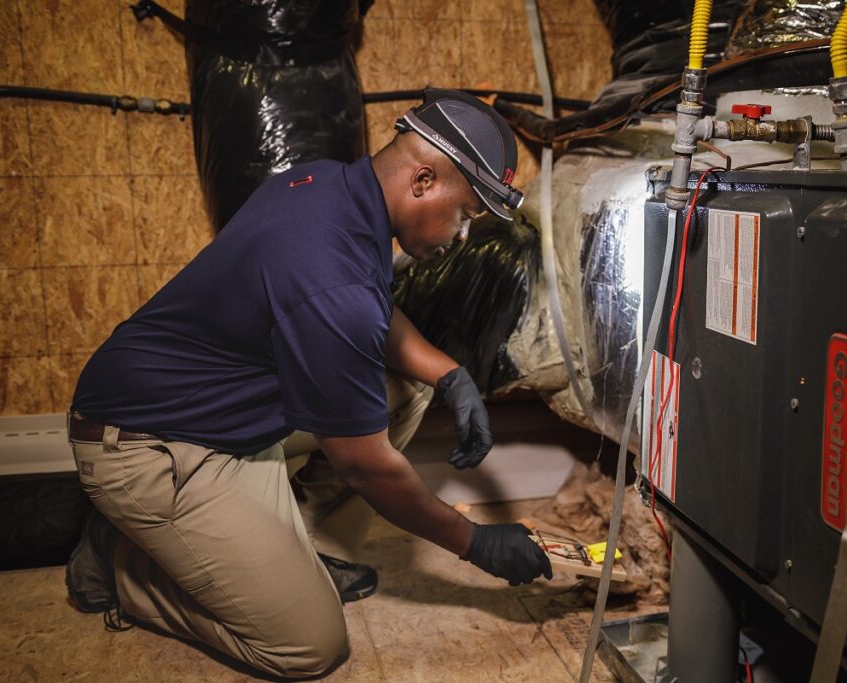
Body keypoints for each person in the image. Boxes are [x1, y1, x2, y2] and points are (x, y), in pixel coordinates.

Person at [64, 89, 552, 679]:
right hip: (147, 445)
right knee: (309, 645)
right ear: (424, 180)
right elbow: (365, 466)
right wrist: (473, 542)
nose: (461, 235)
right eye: (467, 213)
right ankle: (122, 566)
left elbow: (365, 303)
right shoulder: (331, 274)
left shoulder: (329, 186)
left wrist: (450, 373)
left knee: (409, 390)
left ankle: (298, 552)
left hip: (217, 414)